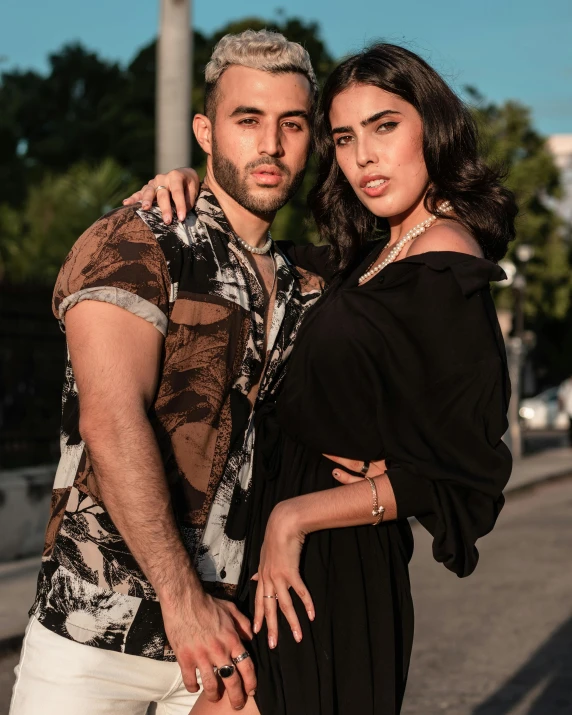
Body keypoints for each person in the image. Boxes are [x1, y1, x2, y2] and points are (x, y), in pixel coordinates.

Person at [126, 42, 516, 715]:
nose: (364, 155)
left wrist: (292, 517)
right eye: (343, 136)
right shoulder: (373, 255)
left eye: (385, 126)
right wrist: (190, 184)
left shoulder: (445, 259)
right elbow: (264, 258)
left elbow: (468, 467)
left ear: (434, 126)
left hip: (328, 573)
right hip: (287, 569)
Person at [9, 30, 325, 715]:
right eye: (248, 120)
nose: (270, 144)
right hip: (96, 633)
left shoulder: (310, 285)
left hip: (229, 640)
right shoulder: (139, 239)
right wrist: (183, 605)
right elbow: (110, 417)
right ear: (205, 130)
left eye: (291, 124)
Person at [558, 377, 572, 444]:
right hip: (569, 410)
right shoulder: (566, 385)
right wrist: (561, 406)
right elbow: (561, 396)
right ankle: (570, 441)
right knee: (570, 426)